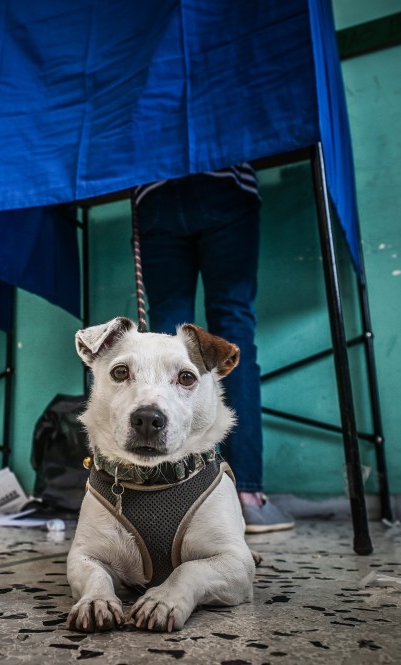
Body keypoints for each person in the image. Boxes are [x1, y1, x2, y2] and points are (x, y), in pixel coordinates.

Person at [133, 165, 294, 533]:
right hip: (224, 180)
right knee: (231, 335)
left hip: (153, 189)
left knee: (165, 343)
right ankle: (247, 497)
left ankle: (168, 495)